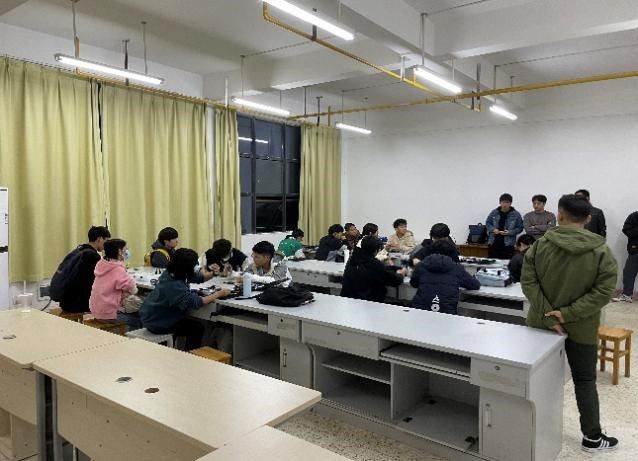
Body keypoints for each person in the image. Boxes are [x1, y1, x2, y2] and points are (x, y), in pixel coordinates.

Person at [521, 194, 618, 452]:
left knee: (535, 379)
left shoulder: (539, 246)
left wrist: (549, 314)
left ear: (559, 215)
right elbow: (603, 292)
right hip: (582, 328)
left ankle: (530, 435)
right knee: (584, 381)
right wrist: (568, 314)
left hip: (540, 325)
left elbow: (528, 282)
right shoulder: (602, 251)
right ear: (588, 218)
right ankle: (592, 437)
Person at [140, 248, 230, 351]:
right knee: (197, 328)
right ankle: (189, 355)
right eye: (194, 264)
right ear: (186, 267)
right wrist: (219, 293)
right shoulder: (174, 284)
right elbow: (197, 302)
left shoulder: (172, 272)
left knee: (192, 322)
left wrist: (214, 273)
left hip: (152, 315)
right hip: (158, 322)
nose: (197, 266)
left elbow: (198, 278)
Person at [410, 240, 480, 314]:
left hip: (420, 311)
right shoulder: (457, 268)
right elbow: (475, 285)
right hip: (446, 313)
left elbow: (414, 283)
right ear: (451, 253)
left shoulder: (421, 265)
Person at [57, 226, 111, 314]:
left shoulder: (78, 251)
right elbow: (96, 283)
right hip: (78, 305)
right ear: (100, 239)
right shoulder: (92, 256)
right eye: (106, 241)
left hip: (66, 301)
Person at [89, 238, 141, 331]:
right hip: (108, 314)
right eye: (125, 249)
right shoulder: (117, 269)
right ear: (119, 251)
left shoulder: (102, 264)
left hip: (96, 310)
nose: (127, 251)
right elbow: (134, 289)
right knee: (140, 317)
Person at [340, 236, 404, 303]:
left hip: (347, 299)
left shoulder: (353, 258)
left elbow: (380, 270)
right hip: (365, 302)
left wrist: (393, 268)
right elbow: (395, 280)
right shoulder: (373, 263)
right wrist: (401, 273)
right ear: (376, 251)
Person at [485, 193, 524, 259]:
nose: (505, 204)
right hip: (493, 243)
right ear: (500, 203)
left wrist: (509, 232)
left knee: (506, 264)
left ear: (510, 203)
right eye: (503, 202)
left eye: (507, 202)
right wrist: (493, 229)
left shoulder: (516, 214)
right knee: (492, 263)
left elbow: (520, 228)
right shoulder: (494, 212)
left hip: (508, 245)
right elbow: (488, 223)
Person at [612, 210, 638, 303]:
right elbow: (626, 230)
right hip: (635, 250)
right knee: (629, 273)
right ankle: (627, 295)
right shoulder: (634, 216)